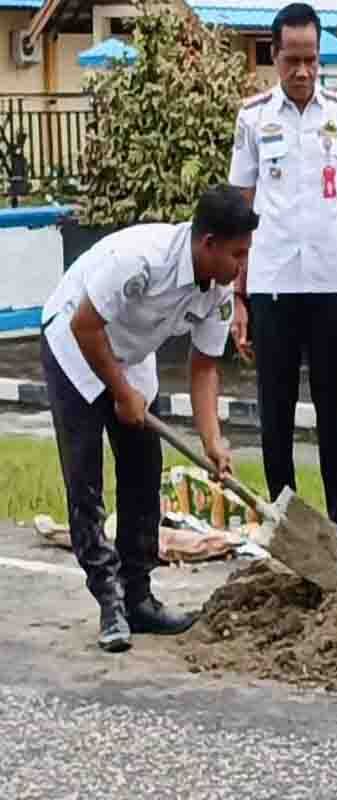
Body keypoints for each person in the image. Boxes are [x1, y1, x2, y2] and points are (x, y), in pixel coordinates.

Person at [40, 184, 258, 653]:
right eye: (237, 254)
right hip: (74, 346)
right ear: (208, 244)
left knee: (143, 473)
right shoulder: (140, 259)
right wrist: (120, 393)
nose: (241, 267)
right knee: (86, 480)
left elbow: (204, 367)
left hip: (131, 354)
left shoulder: (217, 291)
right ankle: (109, 601)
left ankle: (138, 597)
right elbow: (85, 324)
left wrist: (212, 439)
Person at [227, 2, 337, 568]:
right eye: (292, 60)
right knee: (274, 412)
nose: (302, 71)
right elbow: (240, 212)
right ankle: (282, 528)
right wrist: (237, 298)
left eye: (311, 60)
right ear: (274, 57)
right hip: (270, 285)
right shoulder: (252, 119)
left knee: (335, 410)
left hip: (329, 284)